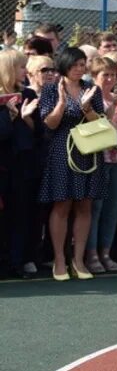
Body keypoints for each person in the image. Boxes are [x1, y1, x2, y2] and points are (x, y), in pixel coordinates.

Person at [40, 48, 108, 280]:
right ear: (66, 65)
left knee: (84, 205)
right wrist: (61, 102)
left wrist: (87, 108)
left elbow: (100, 122)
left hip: (88, 151)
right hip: (61, 150)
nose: (81, 68)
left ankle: (78, 260)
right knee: (62, 205)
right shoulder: (51, 88)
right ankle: (59, 259)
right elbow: (49, 123)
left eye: (83, 64)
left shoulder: (92, 89)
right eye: (76, 64)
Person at [84, 55, 117, 273]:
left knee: (113, 207)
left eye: (113, 75)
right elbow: (95, 129)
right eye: (105, 75)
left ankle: (106, 252)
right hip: (98, 157)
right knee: (95, 206)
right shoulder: (90, 100)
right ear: (95, 77)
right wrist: (111, 110)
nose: (109, 79)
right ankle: (91, 253)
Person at [0, 51, 44, 278]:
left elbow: (39, 134)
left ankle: (19, 261)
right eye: (20, 67)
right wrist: (10, 115)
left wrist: (25, 117)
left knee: (22, 215)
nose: (25, 71)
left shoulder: (27, 94)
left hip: (24, 167)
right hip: (3, 166)